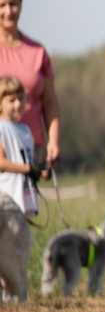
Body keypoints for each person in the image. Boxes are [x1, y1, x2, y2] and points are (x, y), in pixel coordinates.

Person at [0, 0, 61, 167]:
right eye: (2, 5)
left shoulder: (37, 51)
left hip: (30, 146)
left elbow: (50, 101)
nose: (8, 11)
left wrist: (53, 141)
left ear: (21, 6)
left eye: (13, 4)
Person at [0, 75, 48, 218]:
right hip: (8, 195)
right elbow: (1, 162)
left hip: (25, 195)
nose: (17, 104)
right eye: (12, 100)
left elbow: (32, 161)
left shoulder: (26, 130)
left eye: (21, 98)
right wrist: (27, 169)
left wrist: (41, 169)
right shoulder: (1, 128)